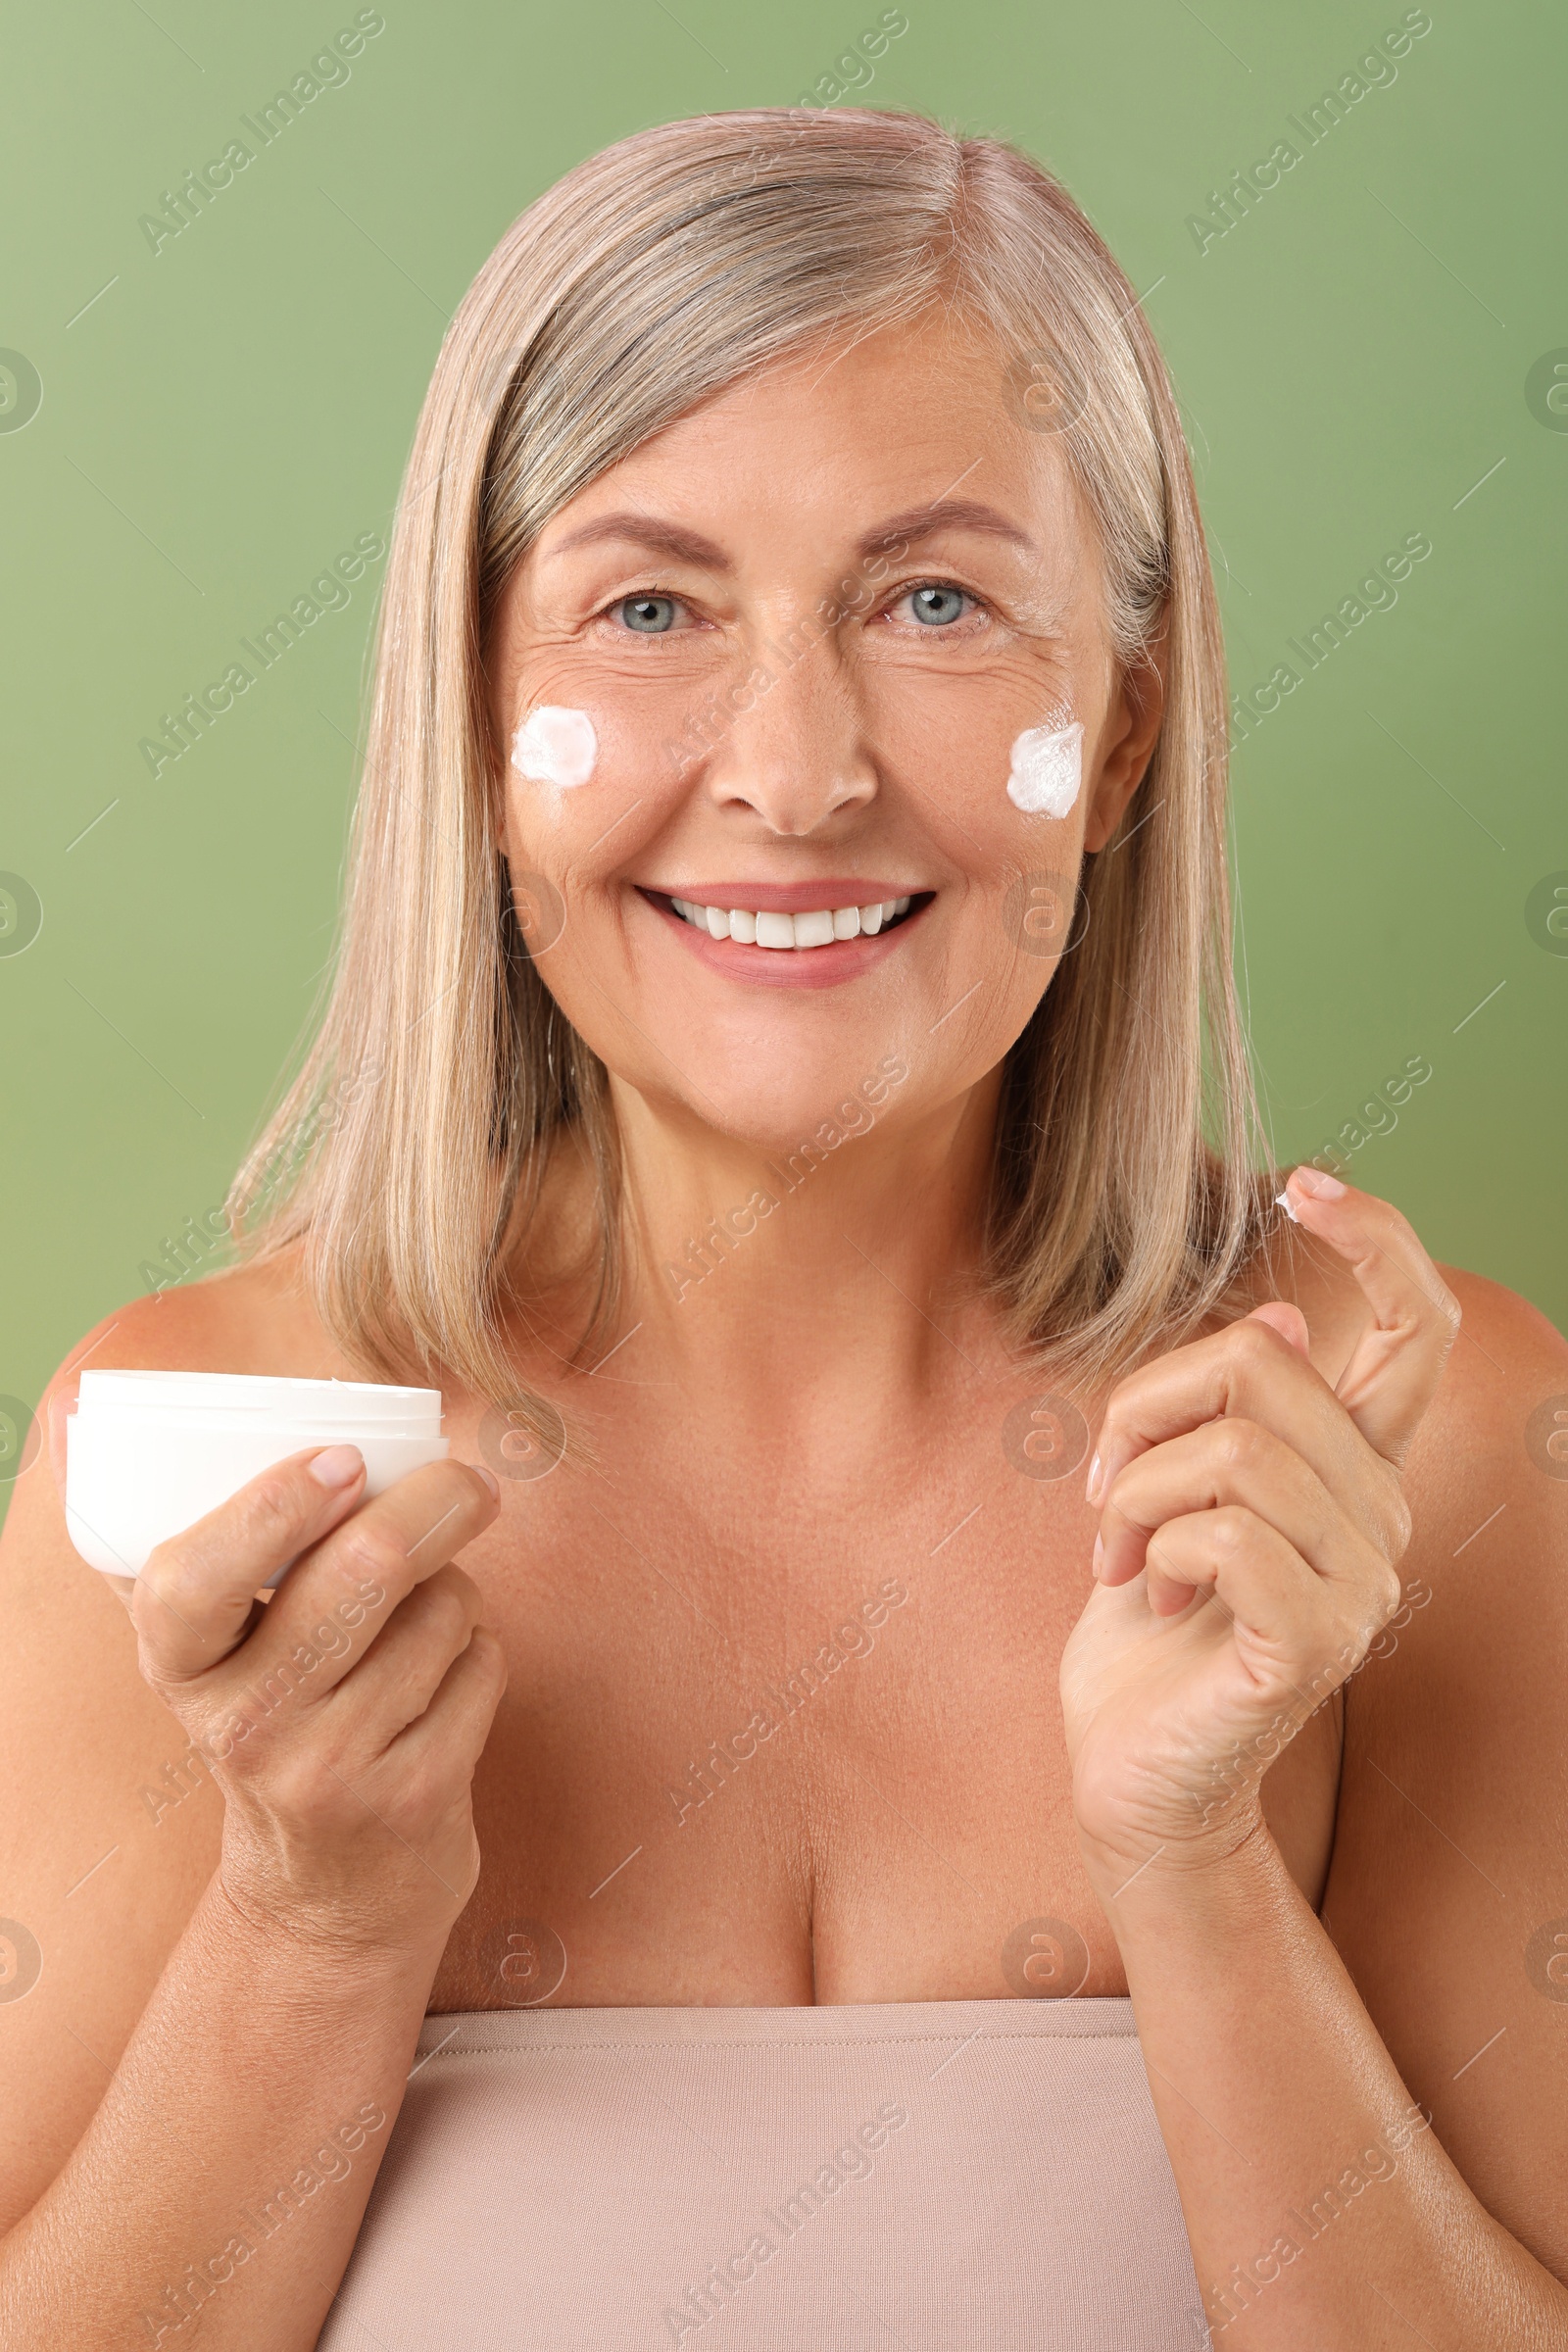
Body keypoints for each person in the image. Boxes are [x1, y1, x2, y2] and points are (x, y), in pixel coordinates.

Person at [1, 108, 1563, 2350]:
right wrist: (316, 1922)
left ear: (1115, 725)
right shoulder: (201, 1473)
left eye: (933, 603)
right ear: (470, 710)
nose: (794, 766)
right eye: (648, 606)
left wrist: (1196, 1873)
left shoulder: (1414, 1449)